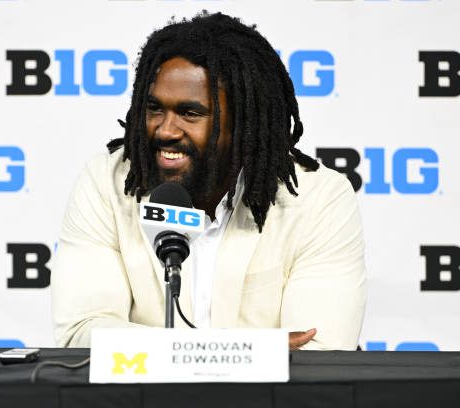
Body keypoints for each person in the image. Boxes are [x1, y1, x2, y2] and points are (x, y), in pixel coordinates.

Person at [51, 11, 366, 350]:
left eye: (190, 113)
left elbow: (319, 351)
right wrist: (247, 351)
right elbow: (81, 334)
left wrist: (166, 352)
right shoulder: (106, 183)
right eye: (155, 108)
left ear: (242, 122)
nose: (166, 130)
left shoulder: (319, 198)